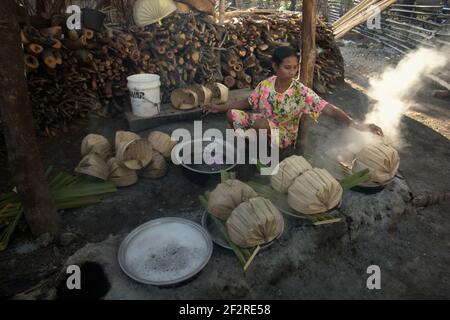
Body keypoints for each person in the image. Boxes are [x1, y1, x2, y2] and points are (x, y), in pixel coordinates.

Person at [202, 46, 383, 153]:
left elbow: (331, 110)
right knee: (232, 115)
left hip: (282, 134)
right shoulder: (266, 85)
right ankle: (248, 147)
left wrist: (359, 126)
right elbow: (248, 102)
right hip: (262, 124)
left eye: (295, 68)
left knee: (261, 125)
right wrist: (220, 108)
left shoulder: (300, 92)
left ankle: (265, 157)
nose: (292, 71)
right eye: (287, 67)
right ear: (275, 66)